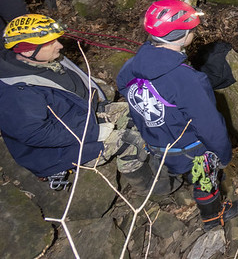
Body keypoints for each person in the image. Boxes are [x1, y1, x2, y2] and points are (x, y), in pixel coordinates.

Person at [117, 0, 238, 231]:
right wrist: (223, 154)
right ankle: (213, 218)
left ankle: (190, 181)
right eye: (192, 29)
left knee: (191, 172)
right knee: (205, 179)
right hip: (189, 148)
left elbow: (126, 92)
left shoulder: (131, 66)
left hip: (157, 142)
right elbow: (209, 125)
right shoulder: (187, 79)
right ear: (182, 35)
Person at [0, 15, 149, 190]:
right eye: (50, 43)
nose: (60, 46)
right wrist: (94, 134)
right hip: (56, 150)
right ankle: (147, 187)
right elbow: (35, 134)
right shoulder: (17, 93)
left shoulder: (42, 61)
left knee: (137, 111)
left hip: (80, 116)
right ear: (27, 51)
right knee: (131, 142)